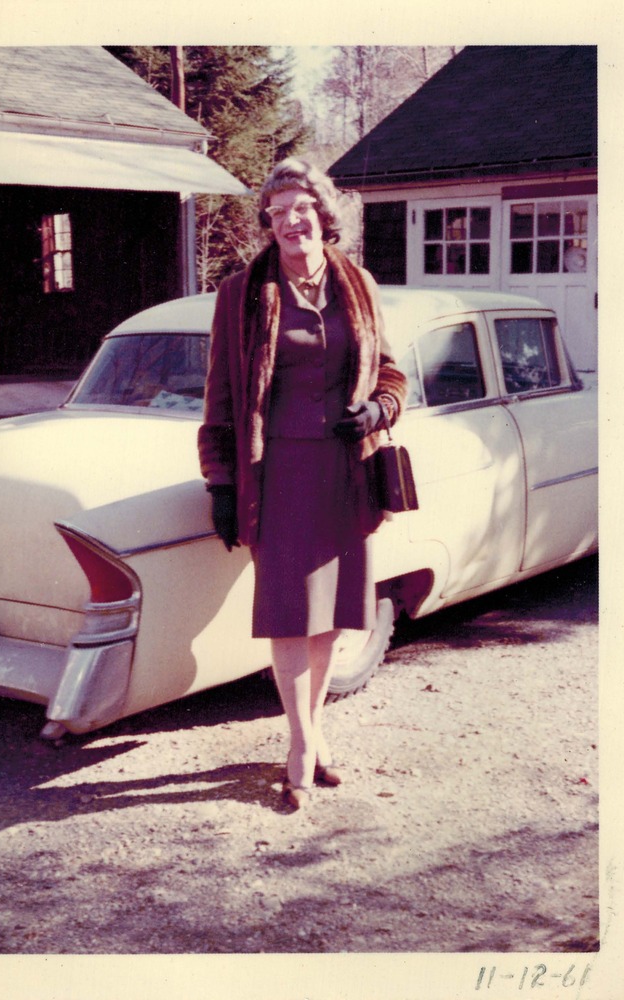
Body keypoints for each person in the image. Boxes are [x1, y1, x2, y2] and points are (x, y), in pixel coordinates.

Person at [198, 158, 407, 810]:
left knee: (332, 615)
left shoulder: (359, 285)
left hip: (345, 475)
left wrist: (378, 411)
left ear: (322, 213)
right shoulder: (241, 293)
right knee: (291, 613)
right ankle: (299, 741)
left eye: (300, 208)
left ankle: (313, 732)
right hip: (278, 475)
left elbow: (393, 377)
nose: (289, 221)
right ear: (268, 222)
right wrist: (220, 482)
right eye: (277, 211)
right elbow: (221, 398)